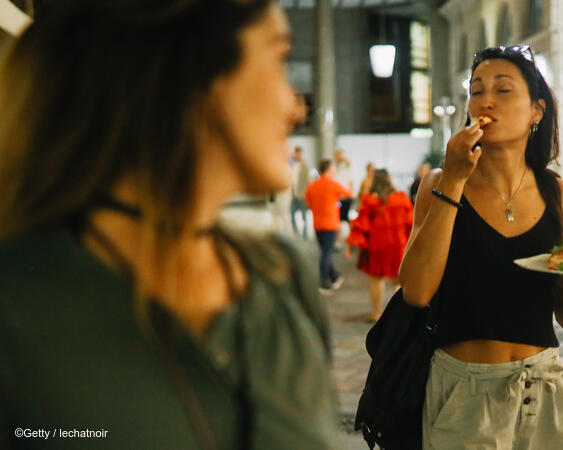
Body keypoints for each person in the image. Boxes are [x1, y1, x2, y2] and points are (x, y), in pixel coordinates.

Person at [0, 1, 341, 449]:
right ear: (194, 70)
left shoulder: (283, 275)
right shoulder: (21, 303)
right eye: (278, 59)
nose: (295, 107)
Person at [399, 45, 563, 449]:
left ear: (537, 111)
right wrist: (455, 182)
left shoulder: (556, 191)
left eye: (503, 89)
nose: (486, 100)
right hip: (467, 394)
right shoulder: (439, 183)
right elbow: (416, 290)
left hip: (547, 390)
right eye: (476, 91)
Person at [347, 169, 414, 322]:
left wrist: (352, 245)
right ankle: (398, 314)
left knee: (376, 280)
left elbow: (361, 225)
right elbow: (411, 222)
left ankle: (377, 313)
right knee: (398, 281)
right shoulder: (402, 198)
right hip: (399, 244)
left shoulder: (369, 200)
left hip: (378, 246)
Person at [305, 159, 350, 295]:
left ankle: (335, 276)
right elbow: (348, 194)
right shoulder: (333, 184)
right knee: (326, 253)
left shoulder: (312, 186)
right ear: (330, 169)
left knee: (325, 251)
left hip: (317, 224)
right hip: (330, 224)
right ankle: (324, 282)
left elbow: (308, 202)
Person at [290, 146, 312, 238]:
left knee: (304, 216)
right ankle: (295, 231)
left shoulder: (305, 166)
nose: (297, 155)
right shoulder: (292, 164)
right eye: (295, 153)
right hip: (293, 193)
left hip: (302, 195)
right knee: (292, 214)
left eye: (298, 153)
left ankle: (305, 233)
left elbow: (308, 181)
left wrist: (307, 195)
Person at [333, 148, 355, 222]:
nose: (337, 157)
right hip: (337, 197)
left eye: (338, 155)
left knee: (344, 217)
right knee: (338, 216)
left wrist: (351, 193)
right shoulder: (335, 167)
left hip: (346, 196)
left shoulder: (348, 166)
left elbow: (351, 181)